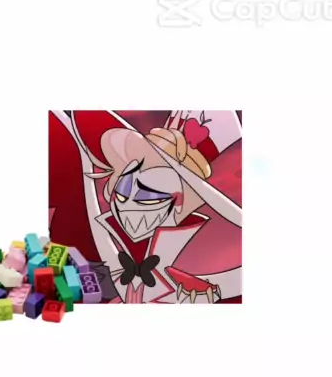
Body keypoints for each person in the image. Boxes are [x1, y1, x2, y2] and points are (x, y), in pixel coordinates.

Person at [48, 110, 242, 303]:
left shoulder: (197, 254)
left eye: (146, 197)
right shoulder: (105, 235)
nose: (126, 205)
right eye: (122, 192)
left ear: (179, 199)